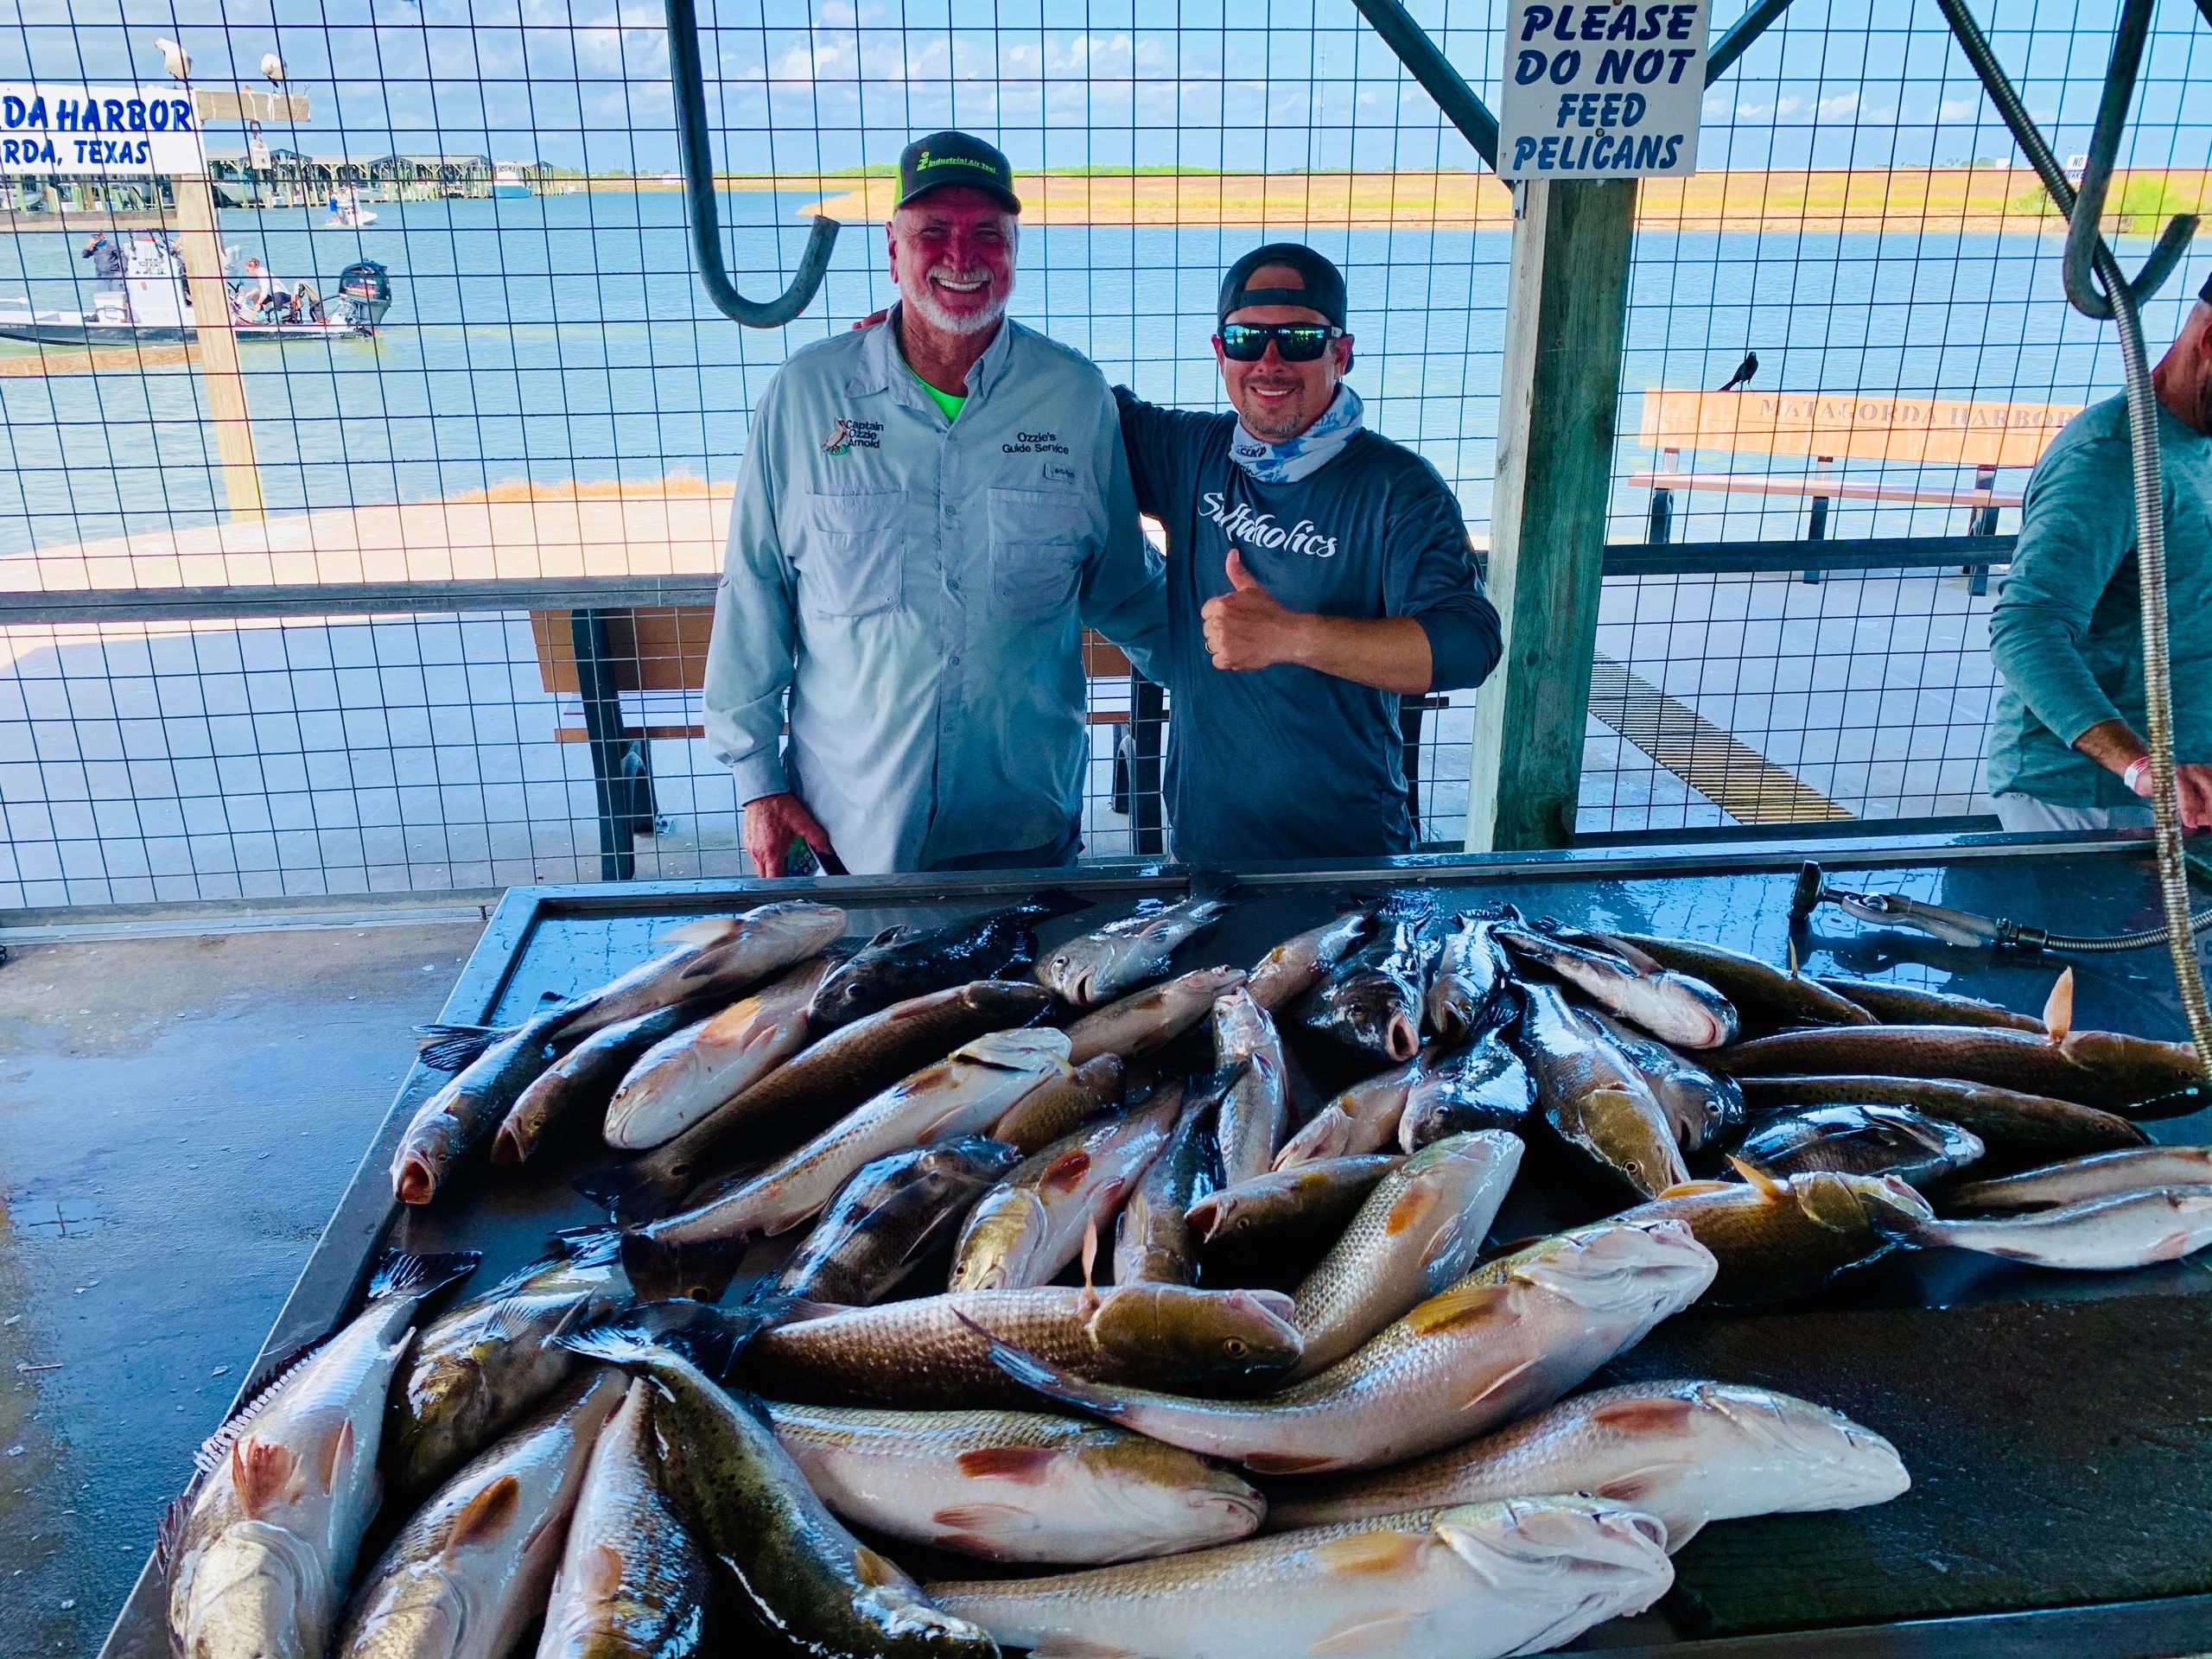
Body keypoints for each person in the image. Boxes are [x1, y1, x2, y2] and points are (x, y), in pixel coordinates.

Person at [702, 131, 1169, 877]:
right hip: (845, 832)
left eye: (989, 233)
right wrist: (757, 782)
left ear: (1016, 250)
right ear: (893, 250)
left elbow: (1128, 586)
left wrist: (1260, 682)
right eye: (933, 233)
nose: (962, 255)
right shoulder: (806, 394)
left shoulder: (1075, 397)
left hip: (1025, 831)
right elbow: (755, 589)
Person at [1111, 244, 1502, 863]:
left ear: (1340, 353)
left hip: (1348, 857)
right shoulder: (1189, 452)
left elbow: (1469, 644)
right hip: (1203, 854)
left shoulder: (1397, 488)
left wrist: (1291, 638)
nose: (1269, 361)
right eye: (1245, 339)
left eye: (1297, 339)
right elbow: (1067, 403)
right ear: (1220, 353)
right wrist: (912, 342)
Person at [1986, 269, 2212, 833]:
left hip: (2188, 798)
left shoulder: (2198, 443)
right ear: (2208, 343)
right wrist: (2142, 768)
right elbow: (2027, 630)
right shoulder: (2112, 457)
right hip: (2089, 800)